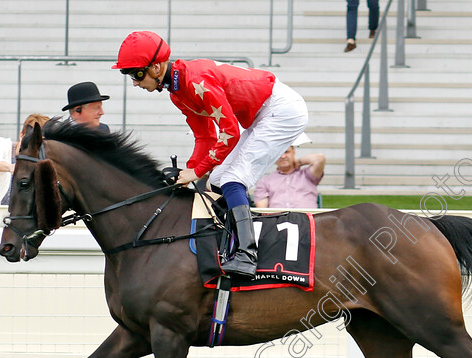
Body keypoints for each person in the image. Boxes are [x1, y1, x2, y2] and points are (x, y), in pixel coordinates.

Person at [112, 31, 308, 278]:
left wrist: (196, 170)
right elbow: (205, 137)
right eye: (129, 75)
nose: (135, 82)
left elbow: (229, 133)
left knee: (233, 179)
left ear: (157, 67)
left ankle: (248, 255)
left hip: (282, 109)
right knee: (216, 181)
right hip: (260, 113)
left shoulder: (195, 82)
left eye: (137, 73)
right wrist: (189, 171)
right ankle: (235, 243)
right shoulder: (177, 91)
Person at [254, 135, 326, 209]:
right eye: (278, 153)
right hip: (279, 218)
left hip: (306, 217)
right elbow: (262, 210)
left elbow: (320, 159)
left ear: (293, 152)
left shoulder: (307, 175)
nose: (283, 156)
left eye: (286, 152)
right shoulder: (265, 181)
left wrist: (298, 162)